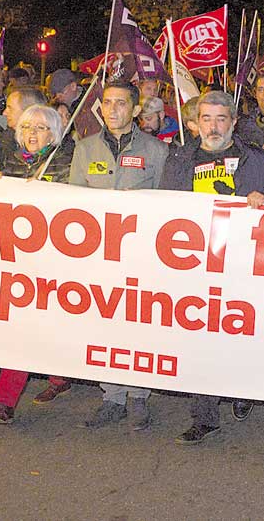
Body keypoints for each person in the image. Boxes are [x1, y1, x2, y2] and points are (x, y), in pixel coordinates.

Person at [163, 90, 264, 444]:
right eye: (207, 119)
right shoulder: (180, 159)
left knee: (240, 335)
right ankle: (205, 416)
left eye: (221, 119)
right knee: (201, 342)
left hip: (242, 265)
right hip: (197, 266)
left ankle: (243, 390)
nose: (213, 126)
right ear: (197, 122)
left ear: (233, 122)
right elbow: (166, 209)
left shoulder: (255, 160)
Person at [69, 81, 168, 431]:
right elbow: (72, 206)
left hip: (142, 258)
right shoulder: (84, 149)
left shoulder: (157, 151)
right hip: (99, 257)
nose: (113, 110)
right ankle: (111, 396)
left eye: (121, 103)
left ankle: (139, 395)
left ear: (136, 110)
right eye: (107, 103)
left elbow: (168, 208)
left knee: (139, 327)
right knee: (106, 327)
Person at [0, 104, 76, 424]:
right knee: (22, 328)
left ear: (55, 132)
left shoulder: (67, 160)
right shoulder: (11, 163)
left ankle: (60, 377)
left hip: (58, 259)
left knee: (50, 324)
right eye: (26, 128)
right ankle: (5, 402)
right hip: (21, 260)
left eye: (40, 128)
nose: (32, 134)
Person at [0, 86, 48, 162]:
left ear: (28, 111)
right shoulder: (4, 142)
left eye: (10, 108)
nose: (4, 113)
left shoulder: (53, 147)